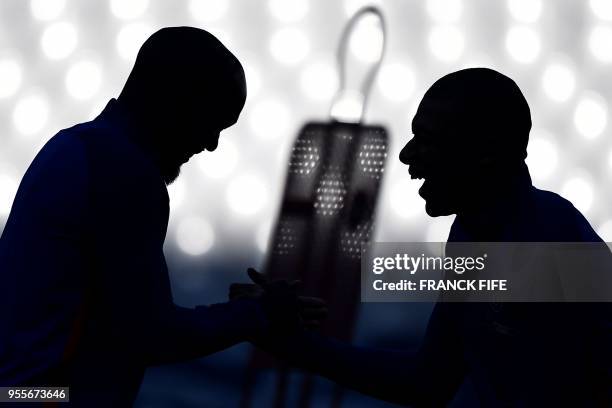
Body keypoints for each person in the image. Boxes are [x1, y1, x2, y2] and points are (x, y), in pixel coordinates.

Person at [237, 68, 612, 406]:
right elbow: (428, 379)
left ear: (486, 153)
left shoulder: (557, 246)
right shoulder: (476, 233)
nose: (405, 155)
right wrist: (291, 342)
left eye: (428, 140)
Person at [0, 27, 323, 406]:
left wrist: (243, 311)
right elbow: (152, 332)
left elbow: (110, 317)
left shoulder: (73, 147)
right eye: (212, 120)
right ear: (177, 99)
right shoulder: (124, 171)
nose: (211, 144)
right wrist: (256, 315)